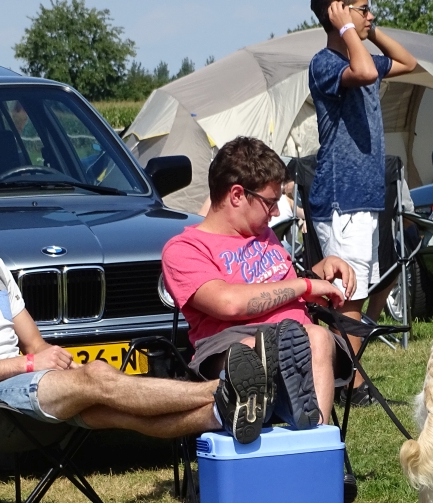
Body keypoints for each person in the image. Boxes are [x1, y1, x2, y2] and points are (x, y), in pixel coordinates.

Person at [0, 165, 273, 445]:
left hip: (24, 387)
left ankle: (220, 413)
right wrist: (28, 364)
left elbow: (36, 345)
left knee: (108, 404)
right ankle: (221, 389)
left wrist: (60, 363)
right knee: (98, 378)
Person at [162, 136, 357, 431]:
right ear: (237, 195)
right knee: (250, 354)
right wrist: (305, 286)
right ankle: (268, 404)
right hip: (231, 342)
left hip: (298, 338)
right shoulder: (184, 249)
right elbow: (229, 303)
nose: (276, 212)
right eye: (270, 202)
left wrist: (320, 273)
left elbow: (281, 285)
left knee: (316, 338)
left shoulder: (264, 233)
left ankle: (309, 433)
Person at [307, 0, 418, 400]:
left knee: (357, 294)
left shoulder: (361, 56)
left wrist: (366, 30)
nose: (372, 15)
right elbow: (367, 72)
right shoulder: (325, 64)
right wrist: (347, 29)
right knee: (347, 296)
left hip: (363, 198)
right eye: (364, 8)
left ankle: (347, 378)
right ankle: (348, 385)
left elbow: (407, 63)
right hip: (342, 200)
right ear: (337, 12)